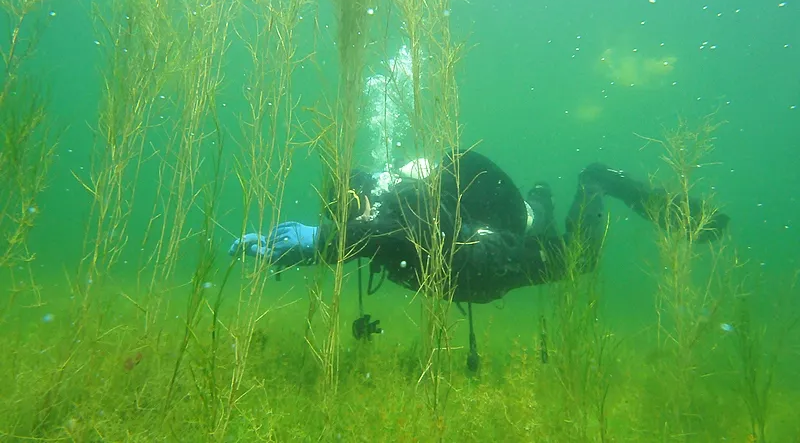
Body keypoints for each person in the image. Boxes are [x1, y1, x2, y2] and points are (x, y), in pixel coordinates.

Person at [229, 150, 730, 305]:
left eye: (349, 203)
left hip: (486, 259)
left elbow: (387, 225)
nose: (348, 213)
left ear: (363, 190)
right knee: (541, 234)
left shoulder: (392, 200)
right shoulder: (370, 222)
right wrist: (320, 243)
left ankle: (597, 183)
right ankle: (538, 203)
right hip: (483, 263)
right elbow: (374, 235)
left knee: (580, 258)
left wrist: (320, 242)